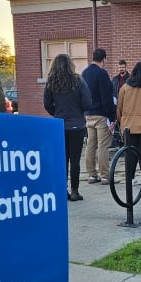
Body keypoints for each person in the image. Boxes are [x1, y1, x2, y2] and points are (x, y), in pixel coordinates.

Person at [43, 54, 92, 202]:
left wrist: (56, 113)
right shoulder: (79, 81)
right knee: (75, 160)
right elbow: (88, 103)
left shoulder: (51, 82)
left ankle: (62, 190)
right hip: (77, 125)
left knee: (61, 159)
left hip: (59, 125)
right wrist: (79, 112)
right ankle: (75, 190)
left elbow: (47, 104)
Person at [81, 48, 116, 185]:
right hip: (101, 114)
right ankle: (105, 175)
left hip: (88, 114)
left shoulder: (84, 73)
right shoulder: (102, 73)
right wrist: (112, 117)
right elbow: (106, 97)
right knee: (103, 145)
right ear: (104, 59)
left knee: (90, 144)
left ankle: (91, 174)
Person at [109, 60, 130, 149]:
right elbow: (112, 90)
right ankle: (116, 141)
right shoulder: (115, 79)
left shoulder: (130, 79)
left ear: (126, 67)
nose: (121, 69)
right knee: (116, 121)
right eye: (120, 67)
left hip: (125, 104)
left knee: (124, 122)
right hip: (116, 103)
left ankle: (124, 142)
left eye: (122, 67)